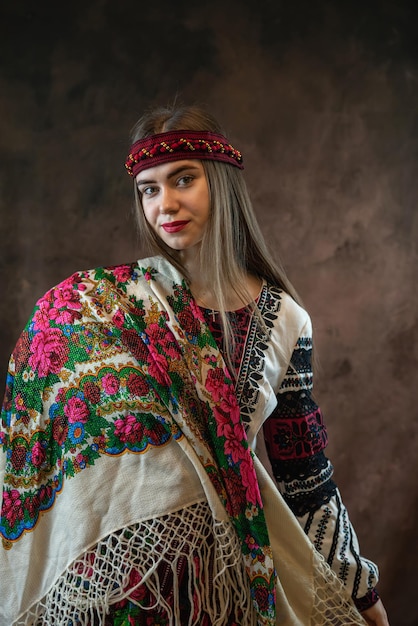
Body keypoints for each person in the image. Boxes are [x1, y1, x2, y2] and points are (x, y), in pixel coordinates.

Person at [0, 103, 390, 626]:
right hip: (127, 587)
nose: (165, 204)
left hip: (224, 580)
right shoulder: (108, 305)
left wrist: (362, 593)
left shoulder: (286, 323)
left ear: (222, 184)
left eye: (183, 179)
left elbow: (305, 476)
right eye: (149, 189)